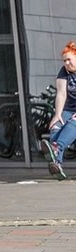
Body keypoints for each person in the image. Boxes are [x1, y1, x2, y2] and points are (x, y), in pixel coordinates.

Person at [41, 41, 76, 180]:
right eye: (65, 60)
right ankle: (57, 163)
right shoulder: (64, 71)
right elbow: (61, 93)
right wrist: (57, 114)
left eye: (69, 59)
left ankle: (56, 149)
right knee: (56, 126)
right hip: (69, 107)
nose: (67, 63)